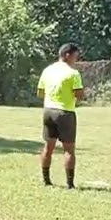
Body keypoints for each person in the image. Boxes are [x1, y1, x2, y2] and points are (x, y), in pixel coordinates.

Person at [36, 43, 85, 189]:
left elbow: (40, 93)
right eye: (75, 56)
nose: (76, 60)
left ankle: (46, 181)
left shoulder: (47, 70)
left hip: (48, 111)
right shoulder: (73, 73)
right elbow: (79, 95)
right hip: (65, 113)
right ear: (67, 55)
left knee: (48, 147)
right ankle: (70, 184)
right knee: (69, 150)